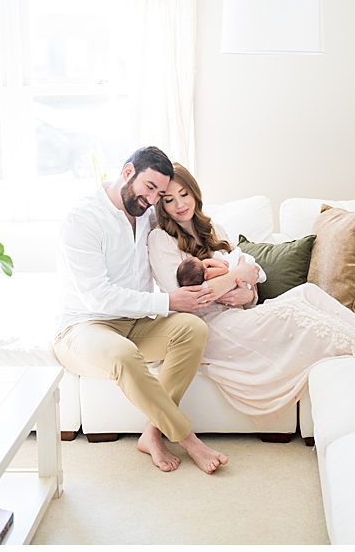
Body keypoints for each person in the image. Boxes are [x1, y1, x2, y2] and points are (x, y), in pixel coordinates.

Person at [147, 163, 355, 418]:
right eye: (169, 200)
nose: (180, 204)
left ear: (194, 193)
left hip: (237, 314)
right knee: (292, 310)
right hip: (207, 328)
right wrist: (236, 275)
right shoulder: (161, 239)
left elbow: (252, 287)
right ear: (161, 205)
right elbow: (185, 299)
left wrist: (247, 293)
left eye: (184, 194)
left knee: (307, 292)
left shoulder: (215, 230)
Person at [54, 146, 229, 474]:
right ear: (127, 172)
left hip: (136, 321)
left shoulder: (148, 213)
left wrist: (219, 269)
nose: (152, 200)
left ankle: (150, 434)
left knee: (193, 329)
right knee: (122, 354)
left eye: (159, 194)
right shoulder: (83, 219)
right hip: (83, 326)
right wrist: (168, 302)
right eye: (149, 188)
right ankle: (189, 440)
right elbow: (98, 298)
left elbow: (184, 230)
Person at [175, 247, 265, 288]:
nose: (203, 261)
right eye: (202, 263)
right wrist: (209, 261)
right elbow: (224, 269)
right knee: (243, 258)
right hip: (235, 269)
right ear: (205, 274)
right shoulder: (209, 274)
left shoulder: (201, 275)